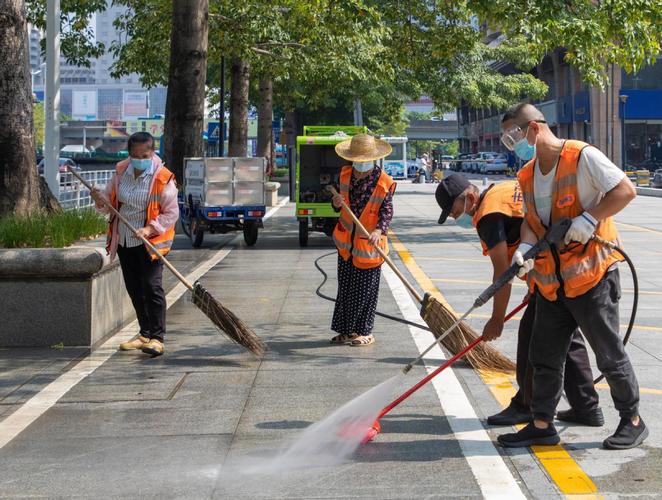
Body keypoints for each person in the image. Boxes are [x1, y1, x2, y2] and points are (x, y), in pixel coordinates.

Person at [497, 102, 646, 449]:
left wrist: (590, 218)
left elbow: (625, 189)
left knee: (609, 355)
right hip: (552, 284)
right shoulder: (527, 174)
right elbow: (531, 225)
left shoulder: (581, 157)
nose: (512, 146)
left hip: (592, 277)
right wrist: (524, 250)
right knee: (544, 357)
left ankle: (633, 420)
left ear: (533, 129)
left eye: (512, 137)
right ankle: (541, 423)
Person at [435, 173, 602, 426]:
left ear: (470, 197)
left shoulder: (489, 216)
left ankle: (526, 406)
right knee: (567, 338)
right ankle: (585, 406)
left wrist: (497, 320)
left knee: (530, 337)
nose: (452, 217)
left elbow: (502, 273)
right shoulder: (501, 190)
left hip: (557, 269)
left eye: (453, 210)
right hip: (566, 265)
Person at [92, 132, 179, 357]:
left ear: (152, 153)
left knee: (152, 287)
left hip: (150, 243)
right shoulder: (121, 171)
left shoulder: (163, 178)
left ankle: (157, 338)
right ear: (129, 154)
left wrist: (149, 229)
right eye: (135, 155)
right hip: (125, 239)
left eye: (144, 154)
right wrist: (99, 199)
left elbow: (171, 213)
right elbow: (109, 202)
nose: (139, 159)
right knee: (134, 288)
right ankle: (144, 333)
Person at [329, 133, 396, 346]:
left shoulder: (384, 182)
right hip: (346, 245)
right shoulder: (345, 175)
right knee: (346, 289)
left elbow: (386, 211)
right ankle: (347, 331)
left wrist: (379, 231)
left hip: (368, 245)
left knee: (365, 291)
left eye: (364, 160)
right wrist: (336, 202)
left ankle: (365, 331)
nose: (360, 164)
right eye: (357, 160)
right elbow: (336, 204)